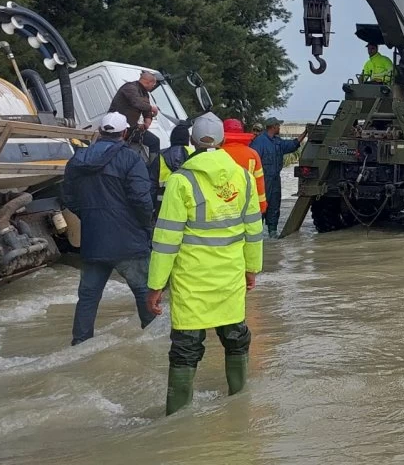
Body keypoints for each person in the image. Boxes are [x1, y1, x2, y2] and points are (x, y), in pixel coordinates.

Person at [145, 112, 264, 416]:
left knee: (185, 349)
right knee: (236, 338)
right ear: (223, 141)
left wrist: (156, 284)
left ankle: (176, 421)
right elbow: (253, 229)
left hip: (191, 280)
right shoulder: (243, 178)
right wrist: (252, 269)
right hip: (230, 276)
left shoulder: (180, 180)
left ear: (193, 142)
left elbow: (167, 239)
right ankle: (239, 405)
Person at [63, 112, 156, 345]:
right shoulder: (131, 159)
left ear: (100, 132)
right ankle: (156, 342)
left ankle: (80, 345)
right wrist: (146, 228)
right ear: (124, 133)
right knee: (145, 294)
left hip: (94, 240)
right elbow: (142, 200)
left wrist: (90, 215)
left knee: (88, 297)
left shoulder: (77, 160)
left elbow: (67, 197)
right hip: (129, 241)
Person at [250, 117, 306, 239]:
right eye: (278, 126)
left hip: (275, 180)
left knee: (275, 207)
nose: (280, 128)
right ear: (273, 127)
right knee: (260, 207)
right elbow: (252, 162)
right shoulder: (259, 142)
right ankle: (256, 237)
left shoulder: (277, 142)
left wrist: (305, 132)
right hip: (262, 181)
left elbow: (292, 145)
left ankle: (273, 235)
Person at [109, 70, 161, 156]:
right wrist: (152, 108)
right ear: (148, 82)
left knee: (154, 141)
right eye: (153, 84)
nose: (153, 87)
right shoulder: (130, 87)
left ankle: (153, 168)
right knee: (117, 150)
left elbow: (146, 109)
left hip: (131, 128)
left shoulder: (145, 94)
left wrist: (147, 121)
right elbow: (136, 103)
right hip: (116, 127)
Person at [222, 119, 268, 216]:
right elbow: (259, 183)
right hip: (247, 203)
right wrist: (262, 205)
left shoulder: (215, 153)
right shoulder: (253, 154)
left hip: (222, 203)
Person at [149, 122, 193, 215]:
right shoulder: (193, 155)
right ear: (188, 139)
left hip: (163, 205)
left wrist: (151, 208)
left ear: (172, 138)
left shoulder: (160, 156)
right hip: (188, 203)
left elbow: (152, 185)